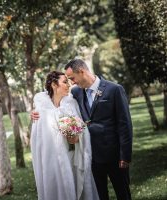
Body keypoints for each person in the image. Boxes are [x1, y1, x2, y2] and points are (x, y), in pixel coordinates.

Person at [32, 59, 133, 200]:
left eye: (72, 78)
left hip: (114, 155)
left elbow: (124, 124)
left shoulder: (114, 89)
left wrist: (125, 155)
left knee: (123, 194)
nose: (72, 82)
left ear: (82, 72)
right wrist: (36, 112)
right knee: (100, 195)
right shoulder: (76, 93)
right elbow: (51, 97)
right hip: (91, 156)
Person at [31, 71, 99, 200]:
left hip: (71, 156)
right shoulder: (41, 105)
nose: (68, 85)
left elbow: (80, 132)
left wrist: (74, 135)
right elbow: (38, 136)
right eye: (64, 82)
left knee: (73, 187)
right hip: (50, 158)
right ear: (54, 85)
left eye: (68, 81)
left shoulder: (71, 103)